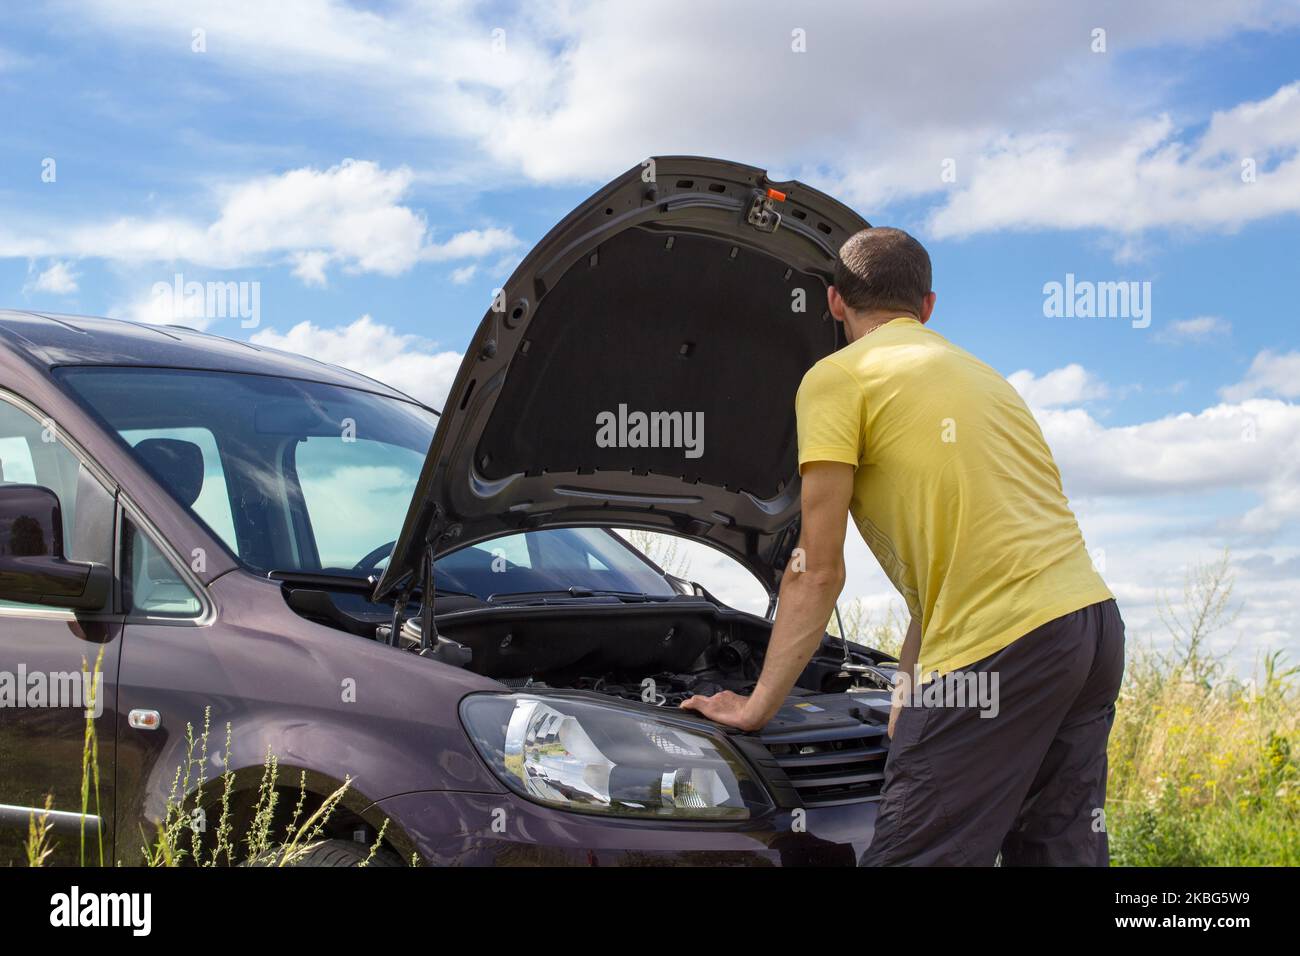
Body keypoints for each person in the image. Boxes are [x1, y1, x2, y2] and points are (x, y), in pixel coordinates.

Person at [681, 227, 1124, 866]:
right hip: (1091, 629)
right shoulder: (985, 379)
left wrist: (755, 707)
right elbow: (957, 559)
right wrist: (911, 682)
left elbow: (817, 571)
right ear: (928, 306)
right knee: (1059, 851)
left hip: (1005, 644)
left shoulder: (838, 379)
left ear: (835, 302)